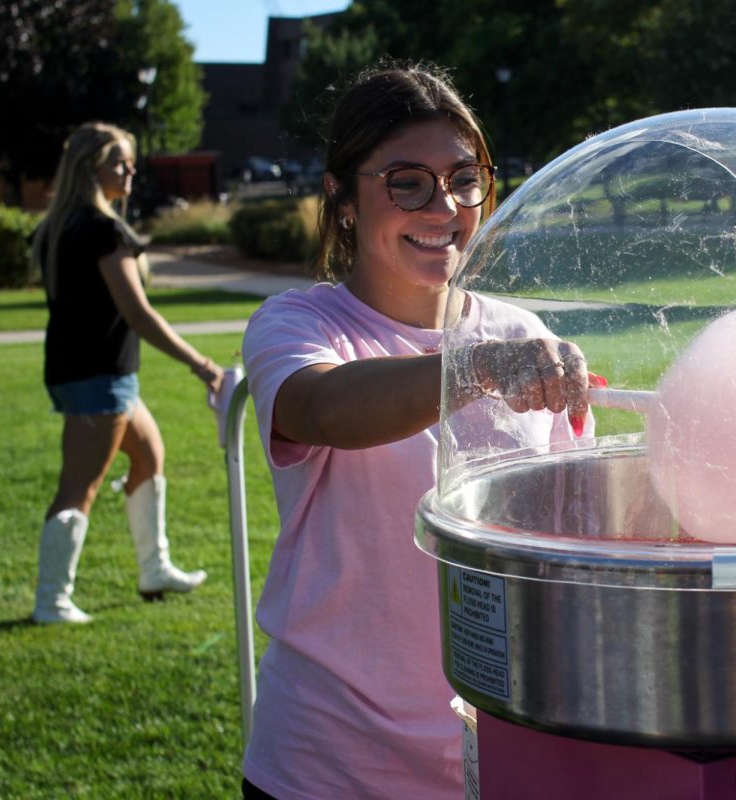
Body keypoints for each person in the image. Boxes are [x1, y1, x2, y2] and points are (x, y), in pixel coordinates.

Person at [239, 62, 592, 799]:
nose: (445, 207)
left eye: (465, 178)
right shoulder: (300, 325)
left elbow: (574, 535)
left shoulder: (520, 330)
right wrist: (476, 368)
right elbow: (324, 407)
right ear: (341, 198)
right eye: (407, 182)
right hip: (330, 765)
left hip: (500, 754)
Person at [31, 122, 223, 625]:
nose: (131, 170)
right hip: (99, 376)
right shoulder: (101, 230)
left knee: (149, 453)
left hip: (87, 371)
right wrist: (200, 363)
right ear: (89, 168)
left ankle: (154, 570)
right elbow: (138, 314)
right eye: (120, 162)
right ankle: (51, 602)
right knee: (79, 486)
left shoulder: (62, 226)